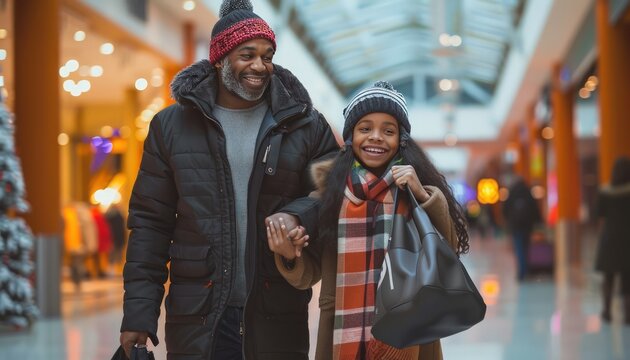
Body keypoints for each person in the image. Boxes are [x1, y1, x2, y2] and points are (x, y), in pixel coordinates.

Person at [118, 0, 338, 358]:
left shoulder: (303, 124)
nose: (259, 66)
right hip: (199, 317)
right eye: (247, 55)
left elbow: (332, 190)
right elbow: (150, 224)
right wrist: (139, 314)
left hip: (276, 313)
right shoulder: (171, 127)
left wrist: (296, 215)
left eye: (267, 56)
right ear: (219, 59)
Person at [267, 81, 470, 359]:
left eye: (388, 130)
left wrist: (422, 194)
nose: (376, 137)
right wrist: (290, 255)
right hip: (343, 335)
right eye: (365, 129)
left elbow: (448, 249)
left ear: (401, 140)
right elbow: (310, 273)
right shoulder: (331, 195)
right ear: (351, 137)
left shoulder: (414, 190)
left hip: (408, 334)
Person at [594, 157, 630, 324]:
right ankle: (628, 314)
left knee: (608, 277)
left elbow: (597, 214)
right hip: (627, 239)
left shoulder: (605, 191)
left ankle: (607, 311)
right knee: (627, 278)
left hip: (609, 238)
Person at [501, 176, 541, 281]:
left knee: (519, 249)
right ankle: (526, 271)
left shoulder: (512, 193)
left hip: (516, 226)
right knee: (526, 248)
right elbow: (535, 209)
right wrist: (537, 222)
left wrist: (509, 221)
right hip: (527, 227)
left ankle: (521, 273)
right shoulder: (527, 192)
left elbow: (505, 209)